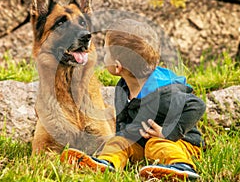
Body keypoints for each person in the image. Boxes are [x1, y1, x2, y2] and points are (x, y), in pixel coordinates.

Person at [60, 19, 206, 180]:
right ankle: (107, 163)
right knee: (119, 141)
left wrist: (168, 133)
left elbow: (196, 105)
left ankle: (181, 166)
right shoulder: (123, 87)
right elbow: (123, 120)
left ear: (117, 66)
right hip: (142, 144)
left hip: (179, 144)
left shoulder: (163, 92)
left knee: (155, 144)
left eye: (107, 52)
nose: (103, 56)